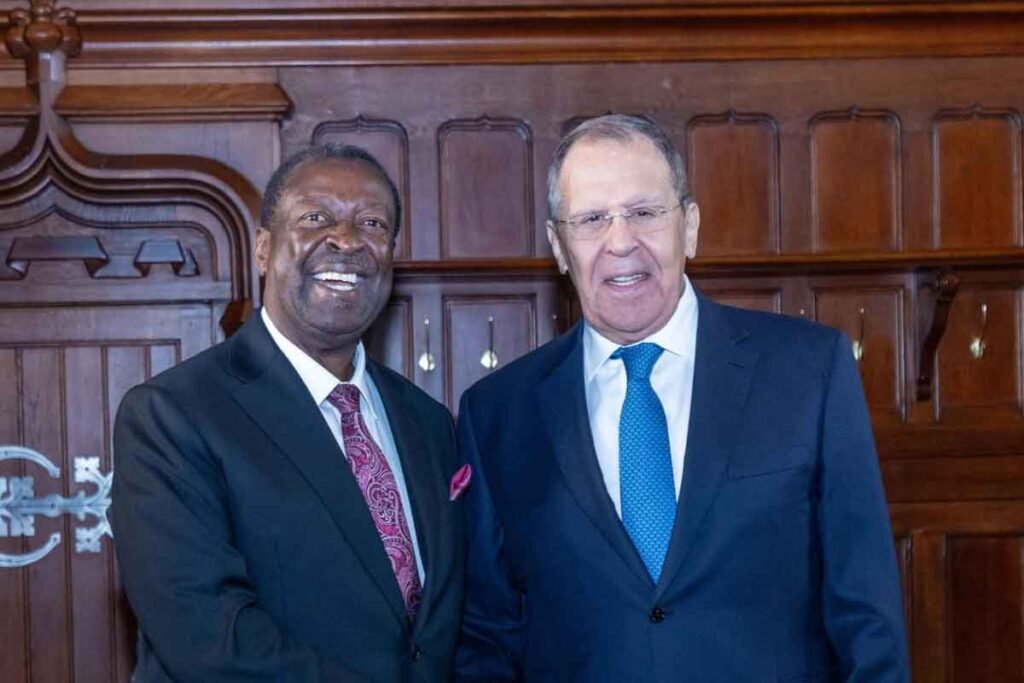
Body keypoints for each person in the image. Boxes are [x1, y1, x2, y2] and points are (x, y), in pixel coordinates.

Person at [456, 114, 908, 682]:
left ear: (689, 226)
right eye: (592, 219)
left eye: (645, 212)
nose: (621, 241)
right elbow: (488, 637)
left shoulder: (807, 371)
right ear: (559, 246)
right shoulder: (498, 414)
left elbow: (867, 615)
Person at [112, 144, 464, 682]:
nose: (346, 240)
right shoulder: (172, 415)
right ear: (262, 250)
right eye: (315, 218)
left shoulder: (428, 422)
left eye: (371, 223)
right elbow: (209, 639)